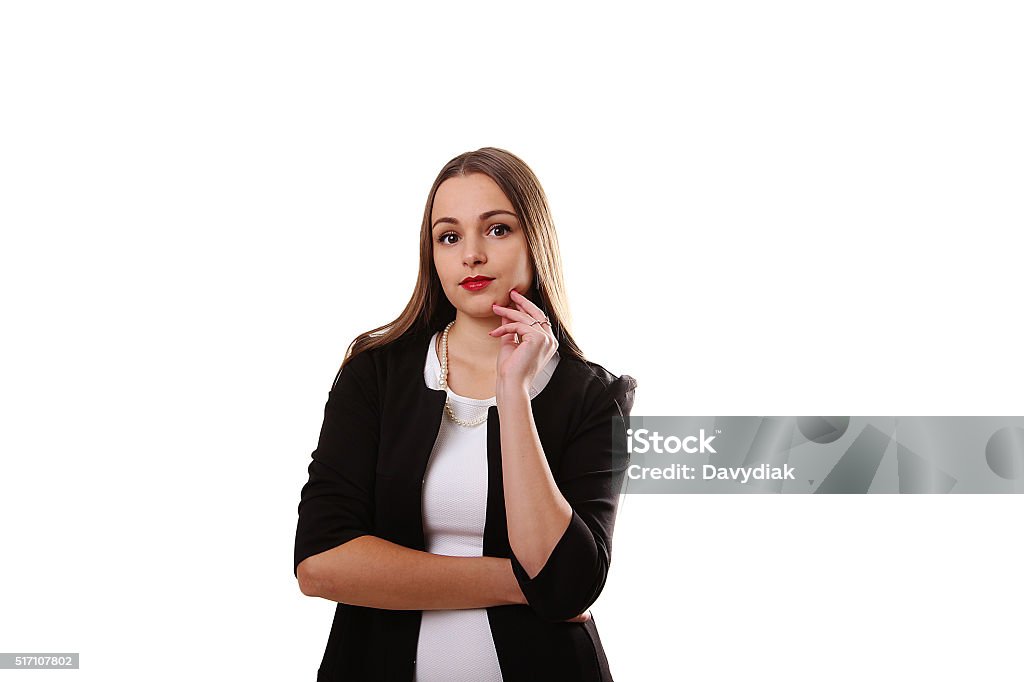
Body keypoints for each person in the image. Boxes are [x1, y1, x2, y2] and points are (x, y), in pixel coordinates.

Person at [293, 147, 637, 681]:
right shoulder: (373, 377)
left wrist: (514, 391)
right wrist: (521, 584)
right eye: (448, 236)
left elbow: (570, 578)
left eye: (497, 229)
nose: (471, 255)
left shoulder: (595, 396)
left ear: (535, 241)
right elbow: (321, 563)